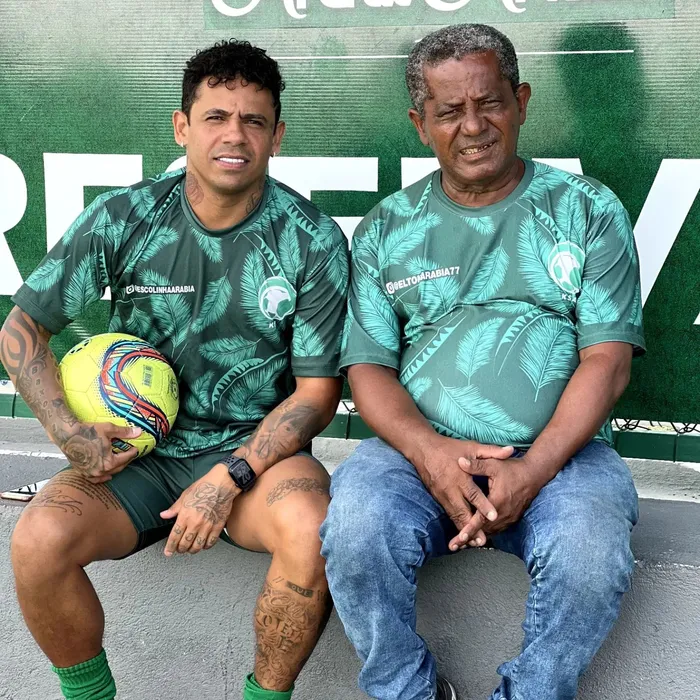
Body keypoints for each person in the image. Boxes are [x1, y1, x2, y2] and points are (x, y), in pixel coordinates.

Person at [1, 39, 349, 700]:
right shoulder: (125, 217)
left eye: (253, 120)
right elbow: (20, 330)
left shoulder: (311, 239)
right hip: (138, 457)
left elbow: (316, 395)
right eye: (216, 117)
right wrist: (70, 433)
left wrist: (229, 477)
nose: (234, 135)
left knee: (312, 530)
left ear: (277, 136)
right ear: (182, 127)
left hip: (254, 460)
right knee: (38, 540)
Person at [320, 23, 644, 700]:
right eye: (449, 111)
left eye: (489, 102)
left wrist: (532, 468)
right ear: (420, 124)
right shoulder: (386, 229)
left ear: (520, 102)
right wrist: (431, 454)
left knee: (589, 553)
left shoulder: (587, 210)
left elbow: (608, 360)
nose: (473, 127)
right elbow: (368, 369)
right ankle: (406, 692)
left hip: (564, 457)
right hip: (418, 453)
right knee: (354, 529)